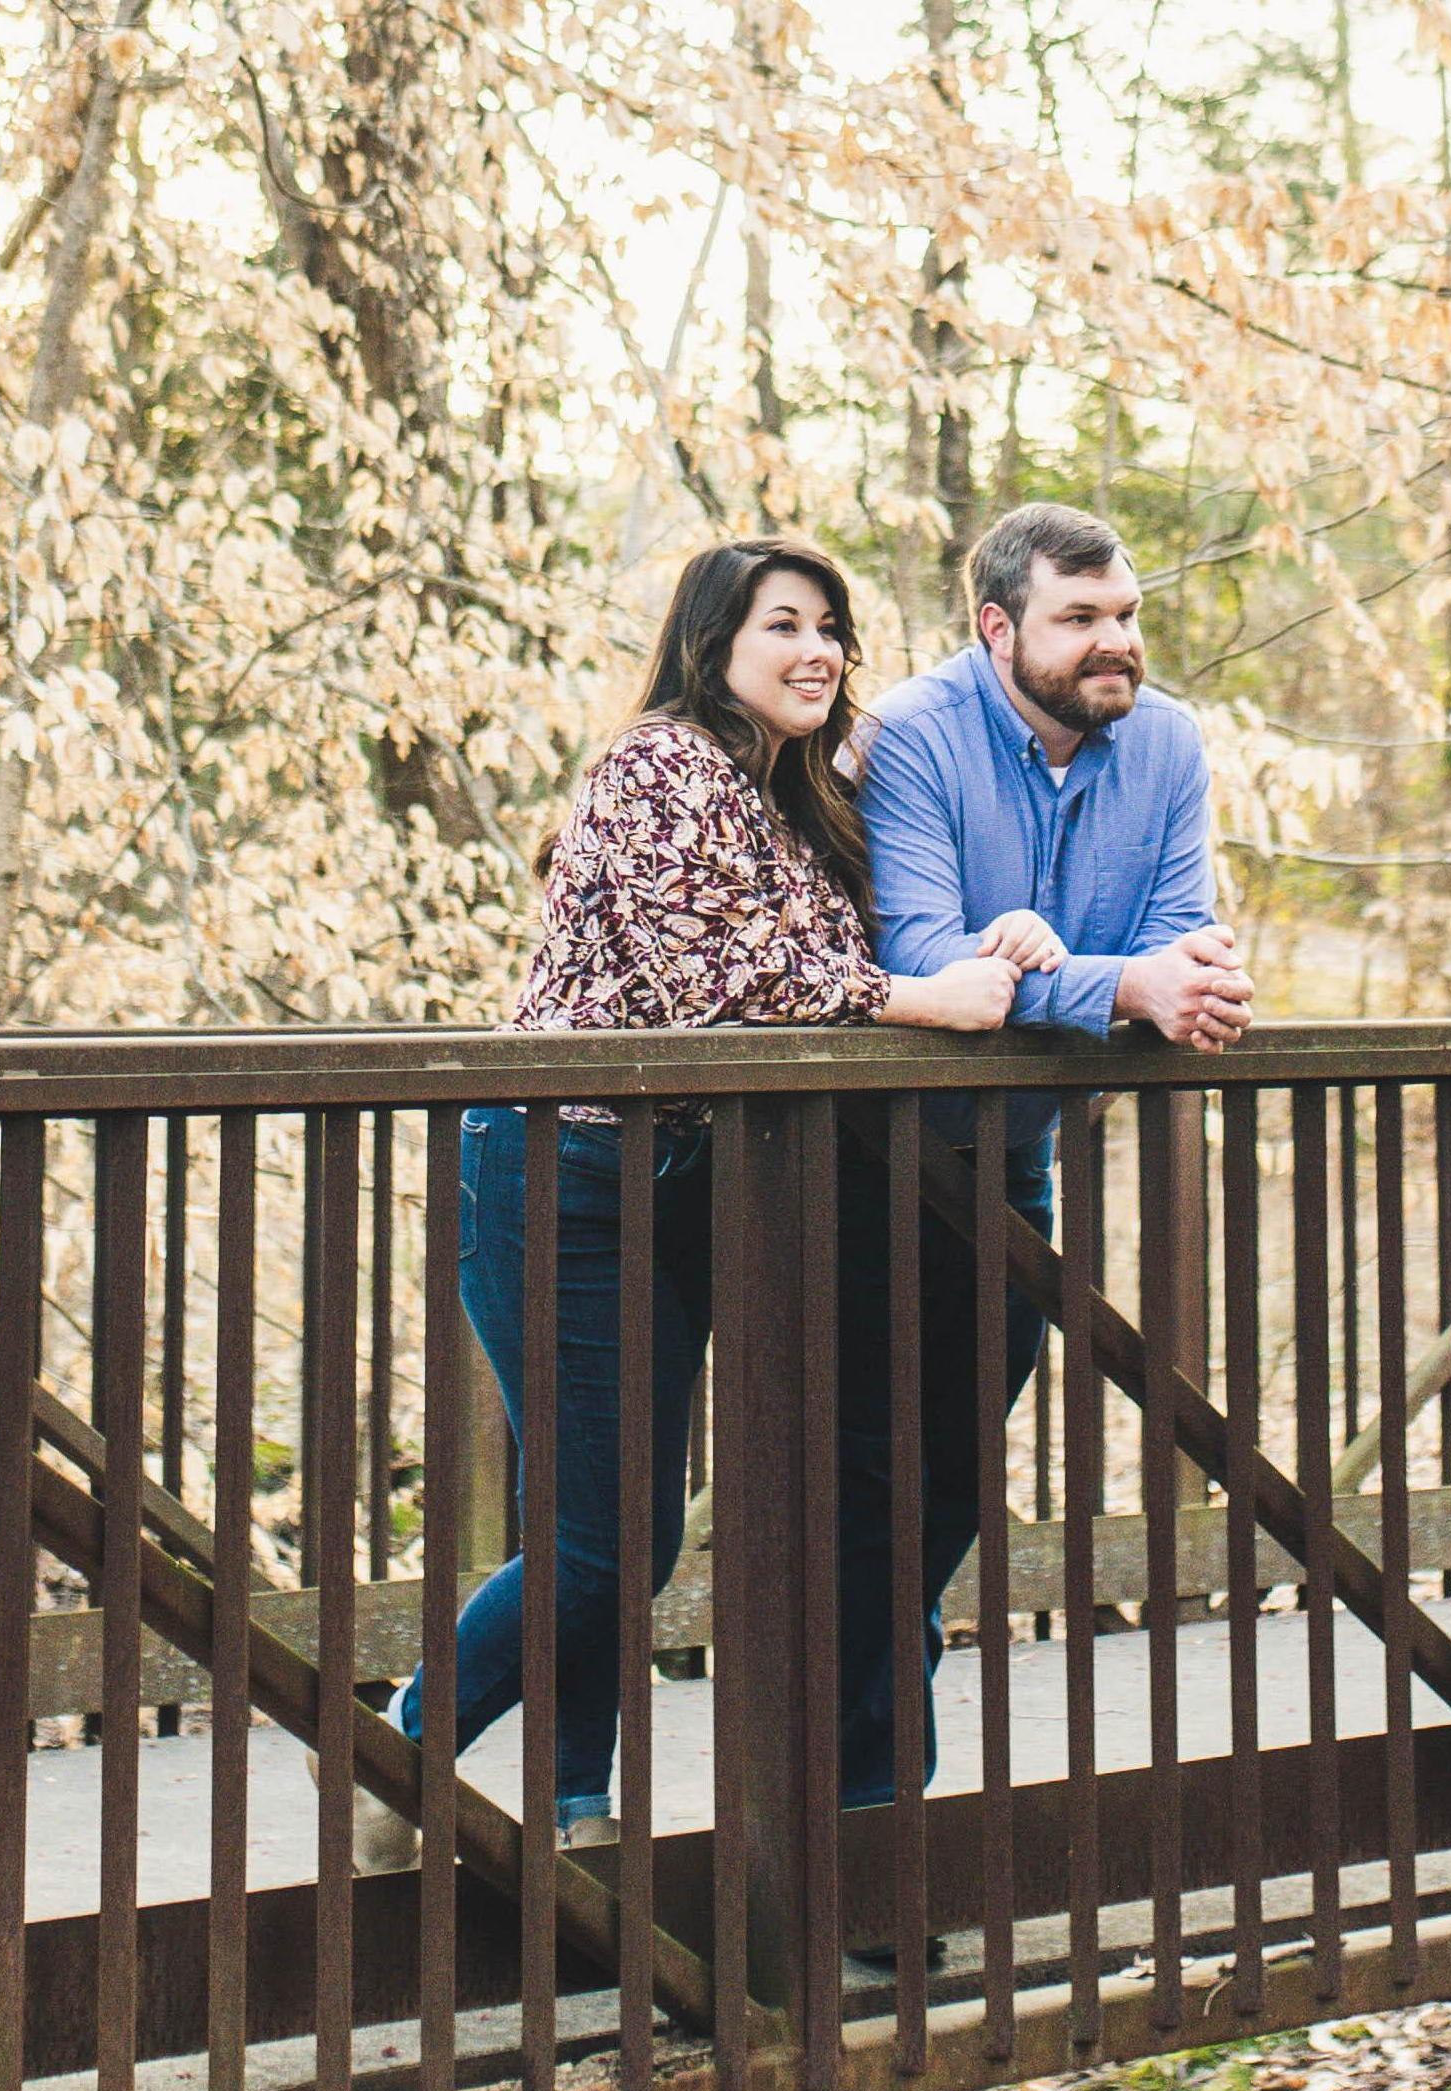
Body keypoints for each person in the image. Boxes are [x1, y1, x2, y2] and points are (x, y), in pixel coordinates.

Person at [349, 537, 1023, 1872]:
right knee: (614, 1539)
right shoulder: (658, 762)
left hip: (695, 1183)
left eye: (831, 626)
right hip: (565, 1172)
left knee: (597, 1519)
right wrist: (919, 998)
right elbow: (715, 978)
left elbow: (857, 942)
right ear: (712, 642)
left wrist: (997, 946)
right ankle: (400, 1748)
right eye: (783, 624)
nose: (816, 649)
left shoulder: (793, 796)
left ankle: (570, 1800)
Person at [835, 501, 1256, 1810]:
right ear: (999, 626)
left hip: (1014, 1168)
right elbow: (922, 952)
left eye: (1125, 614)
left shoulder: (1169, 741)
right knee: (861, 1492)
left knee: (946, 1484)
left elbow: (1182, 938)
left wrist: (1156, 978)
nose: (1115, 642)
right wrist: (1122, 986)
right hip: (860, 1163)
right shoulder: (912, 733)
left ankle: (867, 1795)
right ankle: (870, 1812)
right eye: (1081, 620)